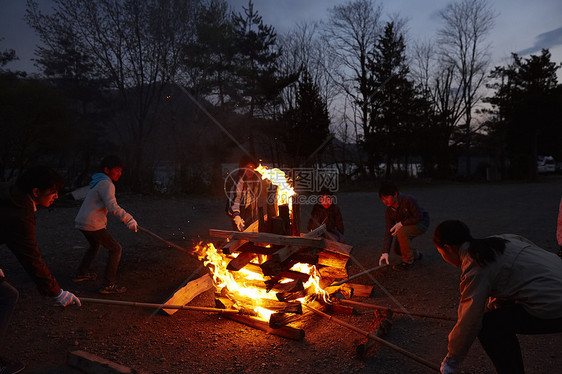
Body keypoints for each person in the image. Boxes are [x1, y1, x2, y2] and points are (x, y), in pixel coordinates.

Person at [433, 220, 562, 374]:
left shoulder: (475, 264)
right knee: (495, 314)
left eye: (441, 253)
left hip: (555, 303)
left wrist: (452, 359)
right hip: (555, 288)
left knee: (489, 326)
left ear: (447, 248)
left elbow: (470, 317)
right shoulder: (504, 239)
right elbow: (512, 277)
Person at [1, 166, 80, 374]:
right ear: (36, 192)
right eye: (52, 192)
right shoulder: (20, 213)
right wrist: (57, 292)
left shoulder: (10, 194)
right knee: (7, 296)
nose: (56, 196)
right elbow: (31, 258)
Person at [74, 156, 138, 294]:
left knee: (95, 245)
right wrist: (128, 219)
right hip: (92, 224)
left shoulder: (98, 182)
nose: (119, 174)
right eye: (116, 170)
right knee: (115, 249)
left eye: (121, 171)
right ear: (107, 170)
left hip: (82, 221)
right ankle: (109, 285)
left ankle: (81, 273)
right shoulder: (107, 184)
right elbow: (112, 206)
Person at [377, 181, 429, 270]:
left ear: (395, 194)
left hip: (421, 223)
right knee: (398, 249)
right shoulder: (389, 212)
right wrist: (385, 252)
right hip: (407, 225)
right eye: (382, 199)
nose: (384, 201)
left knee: (402, 232)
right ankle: (416, 254)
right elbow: (389, 231)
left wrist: (401, 223)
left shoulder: (408, 200)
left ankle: (408, 262)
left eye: (386, 197)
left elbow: (418, 217)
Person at [225, 155, 261, 231]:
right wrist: (236, 216)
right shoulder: (239, 182)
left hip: (251, 215)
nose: (250, 171)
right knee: (240, 238)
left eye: (252, 168)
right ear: (243, 168)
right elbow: (235, 200)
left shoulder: (256, 181)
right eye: (247, 168)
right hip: (239, 215)